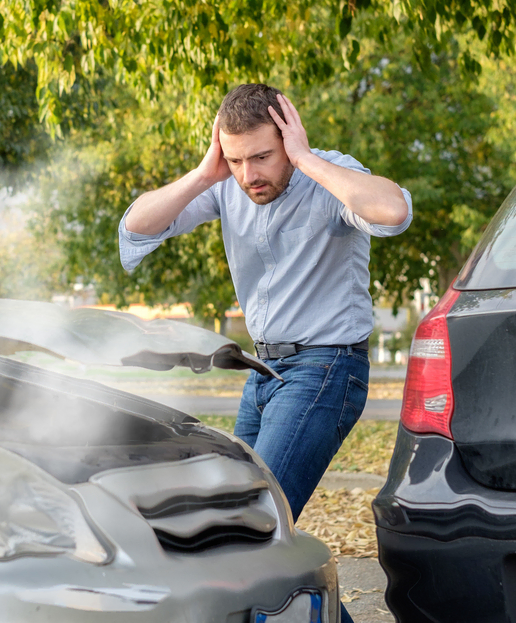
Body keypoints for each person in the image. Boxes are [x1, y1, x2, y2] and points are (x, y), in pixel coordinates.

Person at [119, 85, 411, 620]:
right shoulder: (227, 182)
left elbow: (392, 211)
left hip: (325, 368)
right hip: (262, 371)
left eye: (262, 156)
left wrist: (305, 160)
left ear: (289, 137)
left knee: (251, 534)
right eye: (236, 159)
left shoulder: (330, 174)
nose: (250, 173)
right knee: (242, 532)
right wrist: (207, 174)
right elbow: (134, 231)